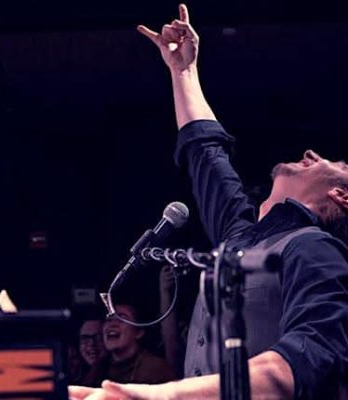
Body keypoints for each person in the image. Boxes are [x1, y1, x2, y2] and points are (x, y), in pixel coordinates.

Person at [69, 3, 348, 399]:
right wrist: (183, 71)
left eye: (332, 163)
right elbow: (206, 155)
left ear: (340, 195)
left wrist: (163, 395)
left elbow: (309, 360)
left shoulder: (317, 249)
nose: (312, 154)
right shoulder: (239, 237)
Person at [82, 304, 176, 387]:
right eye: (109, 319)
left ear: (139, 332)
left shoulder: (156, 369)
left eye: (122, 318)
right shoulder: (98, 370)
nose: (112, 324)